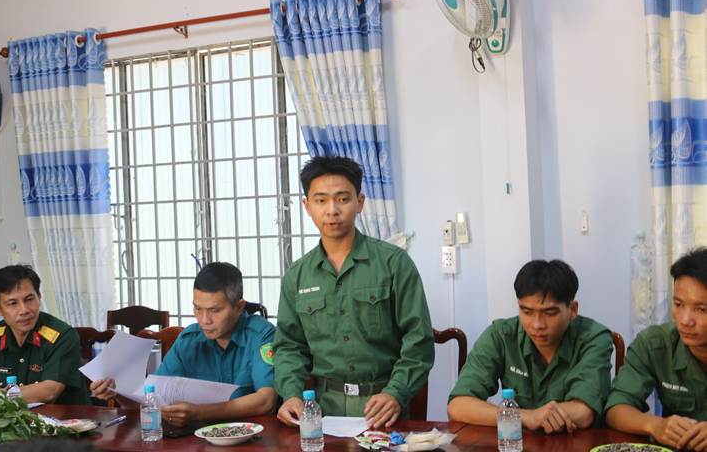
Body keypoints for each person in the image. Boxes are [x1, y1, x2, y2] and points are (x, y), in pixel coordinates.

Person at [274, 156, 434, 429]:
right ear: (307, 206)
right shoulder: (296, 276)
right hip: (321, 412)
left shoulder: (394, 263)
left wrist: (395, 393)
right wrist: (291, 395)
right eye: (321, 200)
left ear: (360, 202)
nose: (332, 210)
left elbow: (418, 339)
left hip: (383, 409)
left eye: (343, 199)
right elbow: (289, 346)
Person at [90, 262, 276, 425]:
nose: (204, 320)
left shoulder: (262, 335)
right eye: (198, 309)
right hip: (197, 439)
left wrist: (200, 412)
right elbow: (154, 399)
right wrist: (117, 392)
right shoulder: (189, 340)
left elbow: (266, 401)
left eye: (215, 310)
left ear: (239, 307)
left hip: (252, 437)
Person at [447, 259, 612, 433]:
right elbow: (458, 406)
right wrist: (524, 417)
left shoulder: (593, 337)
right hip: (516, 442)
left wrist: (534, 417)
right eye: (527, 312)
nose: (537, 324)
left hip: (576, 442)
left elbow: (583, 412)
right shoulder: (501, 335)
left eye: (550, 313)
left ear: (572, 310)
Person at [605, 247, 707, 451]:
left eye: (702, 309)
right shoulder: (655, 344)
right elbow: (615, 408)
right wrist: (655, 425)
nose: (685, 320)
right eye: (678, 304)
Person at [0, 265, 89, 405]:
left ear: (39, 297)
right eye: (13, 303)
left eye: (29, 299)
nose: (24, 310)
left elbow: (49, 392)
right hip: (6, 421)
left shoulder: (62, 336)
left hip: (65, 421)